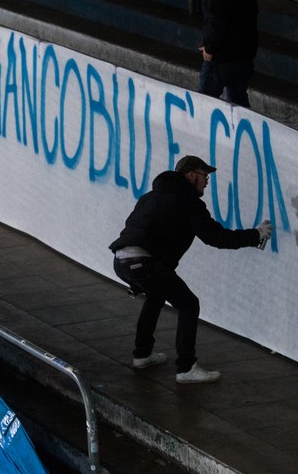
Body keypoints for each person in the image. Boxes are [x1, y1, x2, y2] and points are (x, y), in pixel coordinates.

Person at [110, 154, 272, 383]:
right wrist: (254, 235)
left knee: (156, 297)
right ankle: (186, 368)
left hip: (121, 260)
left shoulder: (151, 196)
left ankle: (142, 355)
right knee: (189, 304)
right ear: (191, 175)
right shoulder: (186, 200)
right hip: (143, 262)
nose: (207, 181)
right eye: (205, 176)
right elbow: (216, 237)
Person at [196, 0, 258, 108]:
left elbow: (218, 19)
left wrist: (209, 47)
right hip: (244, 55)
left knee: (205, 103)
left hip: (222, 57)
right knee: (238, 101)